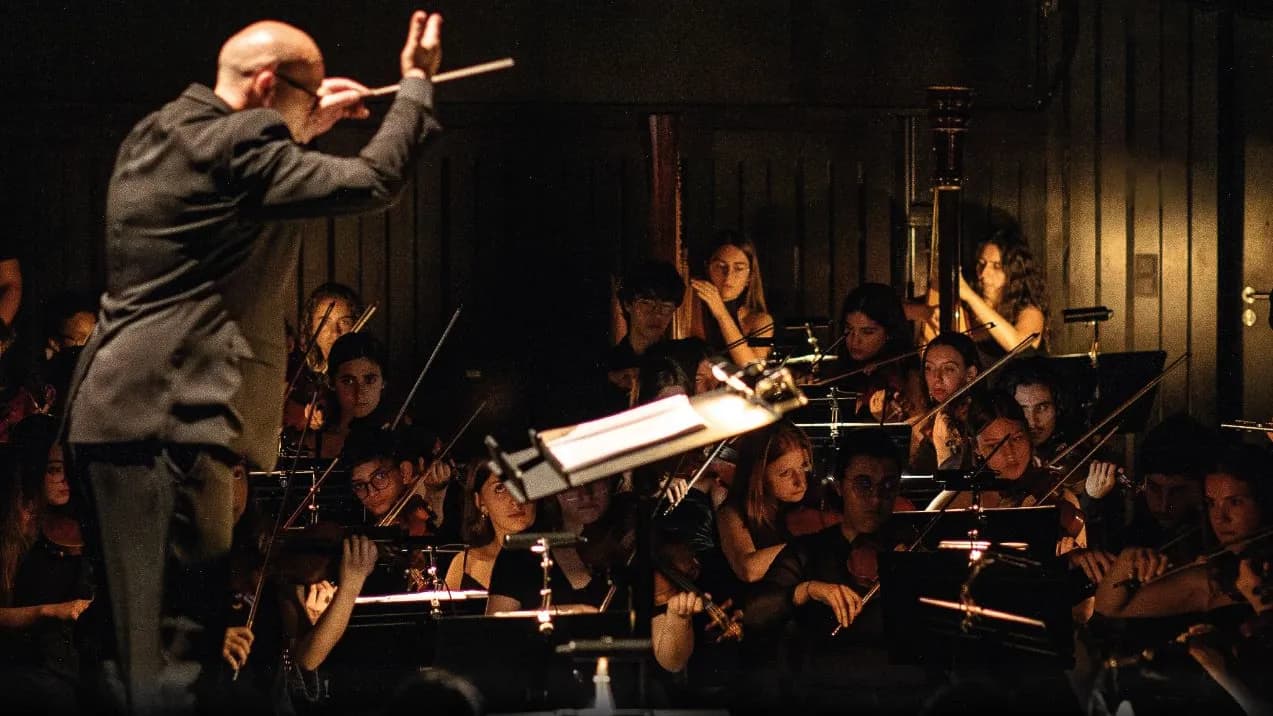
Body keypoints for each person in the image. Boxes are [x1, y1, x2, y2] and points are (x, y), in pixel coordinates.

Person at [64, 13, 445, 713]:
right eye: (301, 99)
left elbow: (246, 181)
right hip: (175, 425)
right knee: (181, 646)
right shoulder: (245, 142)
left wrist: (298, 126)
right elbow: (373, 181)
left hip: (104, 413)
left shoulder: (155, 134)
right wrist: (415, 84)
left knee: (126, 642)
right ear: (268, 84)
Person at [745, 427, 933, 711]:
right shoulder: (807, 551)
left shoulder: (912, 549)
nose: (876, 500)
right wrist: (807, 589)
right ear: (839, 486)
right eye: (863, 484)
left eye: (888, 486)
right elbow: (753, 613)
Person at [715, 421, 812, 584]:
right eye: (786, 473)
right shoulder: (731, 512)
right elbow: (748, 569)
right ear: (759, 476)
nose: (800, 482)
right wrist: (813, 544)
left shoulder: (809, 506)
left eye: (803, 466)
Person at [831, 283, 925, 423]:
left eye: (867, 332)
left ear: (889, 332)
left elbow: (918, 423)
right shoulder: (841, 369)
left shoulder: (907, 370)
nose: (854, 341)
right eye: (849, 329)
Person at [445, 461, 536, 591]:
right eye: (500, 488)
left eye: (523, 485)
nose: (516, 500)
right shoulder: (464, 564)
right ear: (480, 501)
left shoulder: (563, 557)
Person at [957, 228, 1048, 357]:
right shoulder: (964, 307)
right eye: (981, 263)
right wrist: (928, 312)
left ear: (1014, 271)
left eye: (996, 266)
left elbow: (1020, 346)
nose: (983, 273)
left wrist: (970, 297)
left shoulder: (1030, 312)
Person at [690, 233, 773, 366]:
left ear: (750, 277)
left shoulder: (760, 321)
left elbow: (752, 369)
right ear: (707, 268)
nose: (728, 276)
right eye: (720, 266)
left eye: (738, 268)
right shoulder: (689, 306)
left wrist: (721, 313)